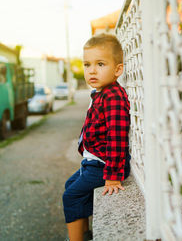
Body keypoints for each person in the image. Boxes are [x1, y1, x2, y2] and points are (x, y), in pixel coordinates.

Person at [62, 33, 131, 241]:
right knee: (70, 186)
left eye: (100, 64)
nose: (92, 70)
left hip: (105, 165)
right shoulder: (102, 92)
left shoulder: (113, 97)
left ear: (118, 69)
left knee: (71, 196)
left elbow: (117, 138)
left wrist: (113, 175)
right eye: (87, 65)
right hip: (94, 162)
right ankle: (84, 234)